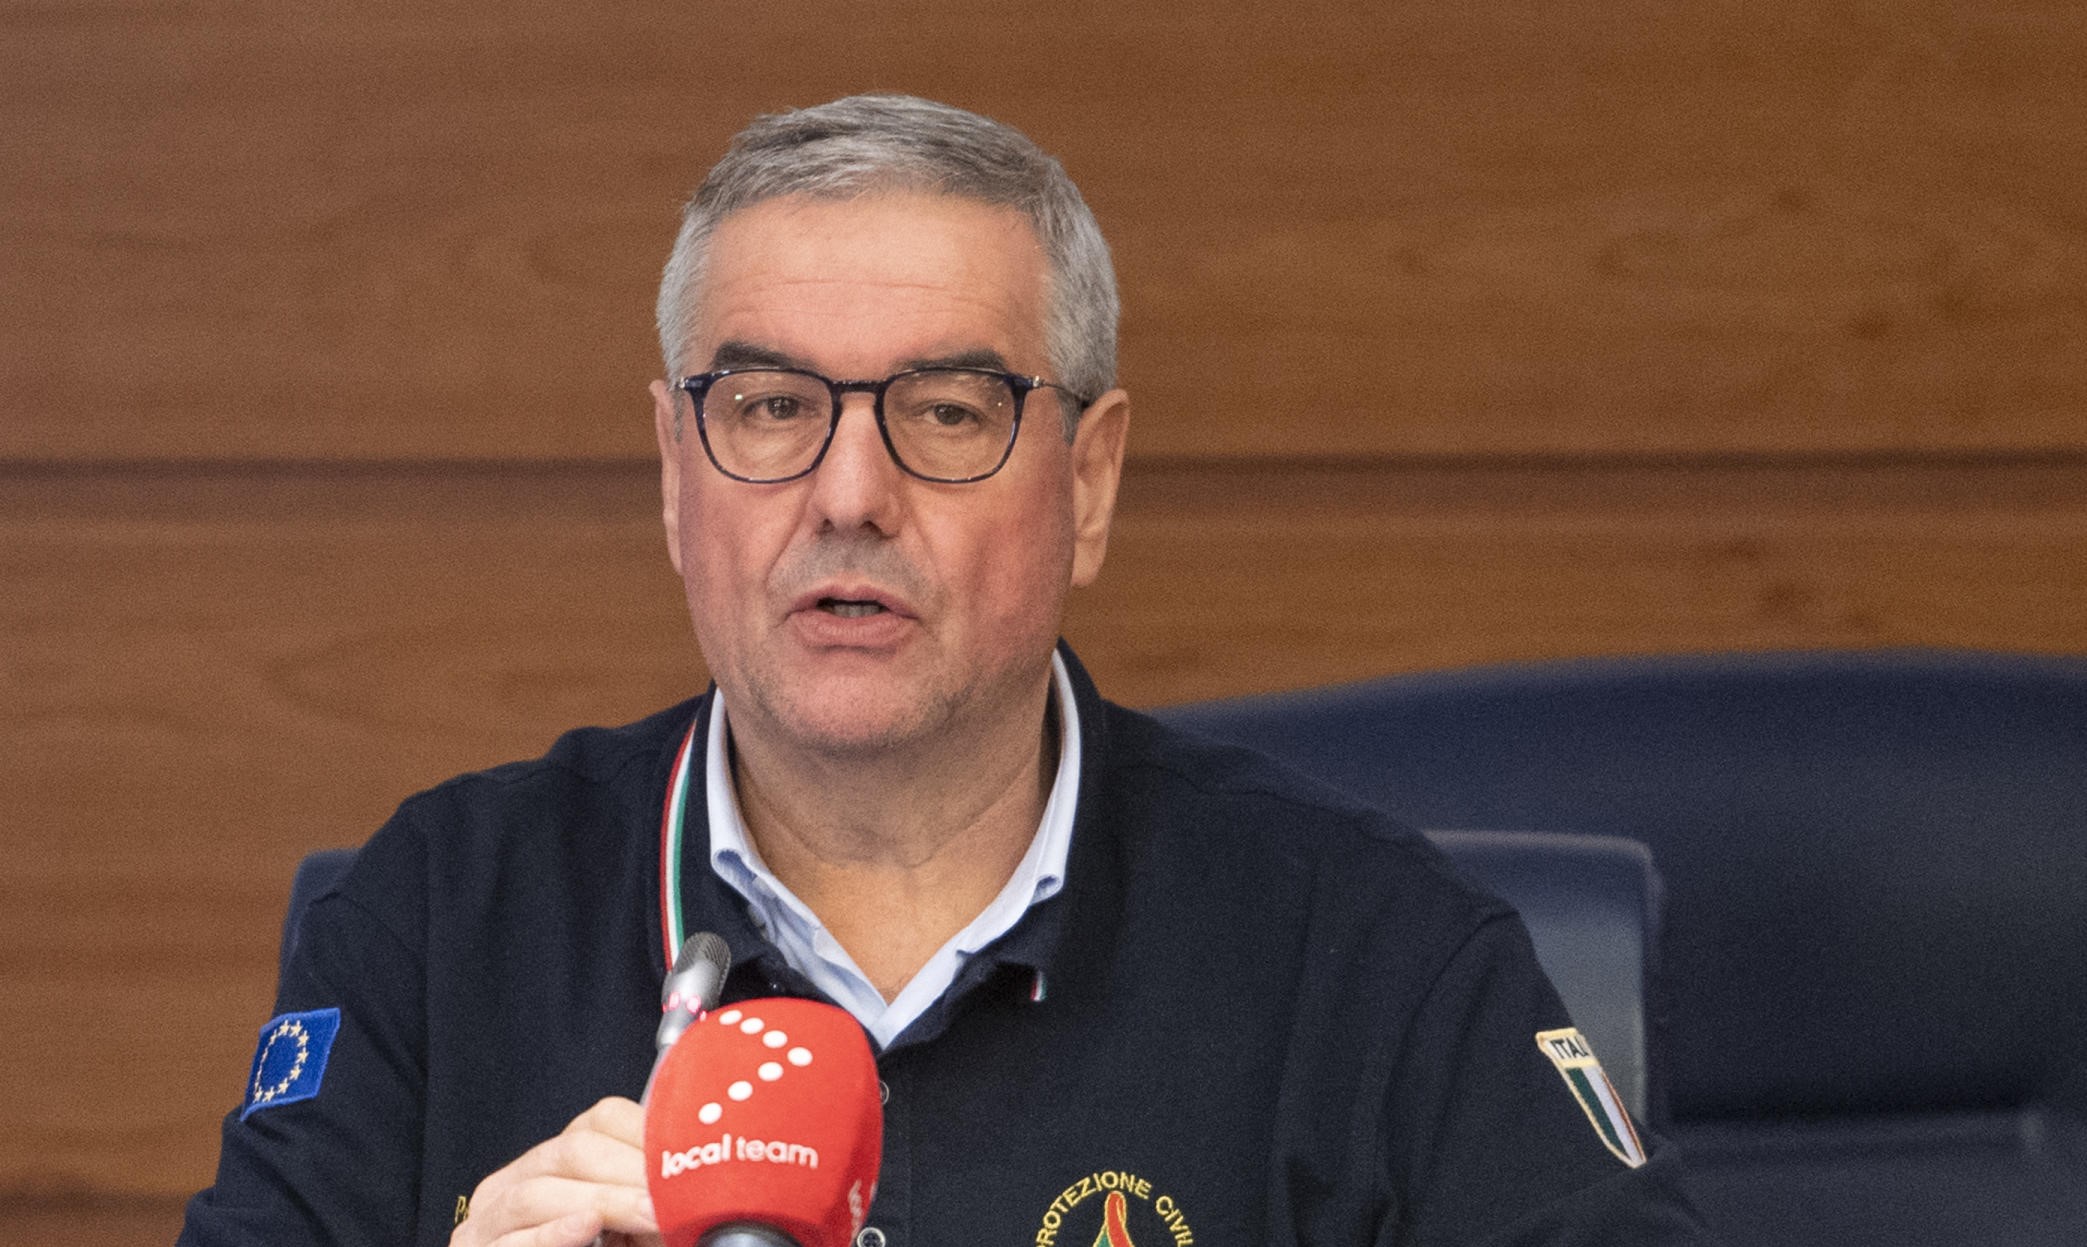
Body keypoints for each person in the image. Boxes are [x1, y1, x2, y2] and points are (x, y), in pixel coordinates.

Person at [181, 94, 1709, 1246]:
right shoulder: (437, 926)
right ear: (672, 470)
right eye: (773, 407)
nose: (849, 495)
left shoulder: (1373, 955)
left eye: (950, 411)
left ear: (1089, 482)